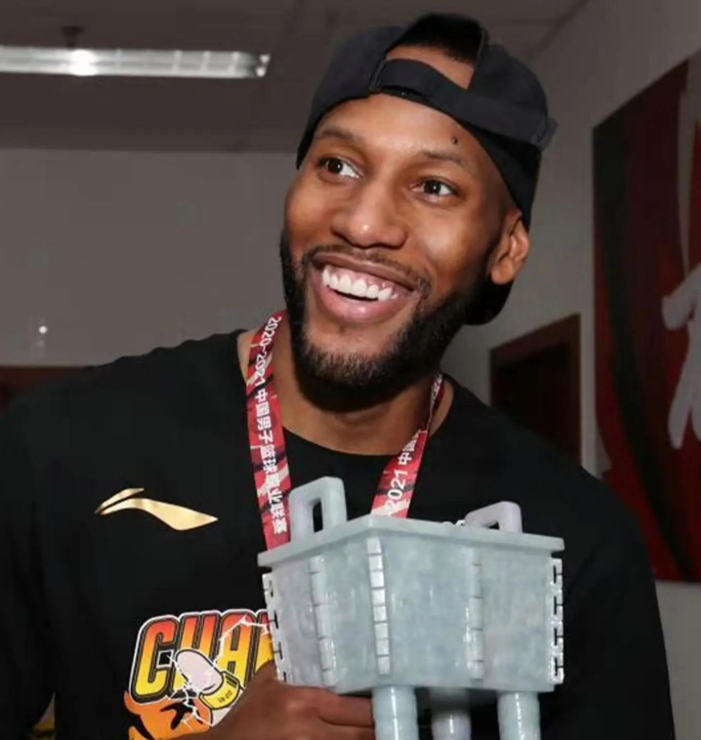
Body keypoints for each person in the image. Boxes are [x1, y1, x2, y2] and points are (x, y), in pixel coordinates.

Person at [0, 12, 675, 740]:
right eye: (338, 166)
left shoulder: (571, 536)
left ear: (505, 248)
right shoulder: (63, 449)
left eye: (435, 187)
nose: (363, 222)